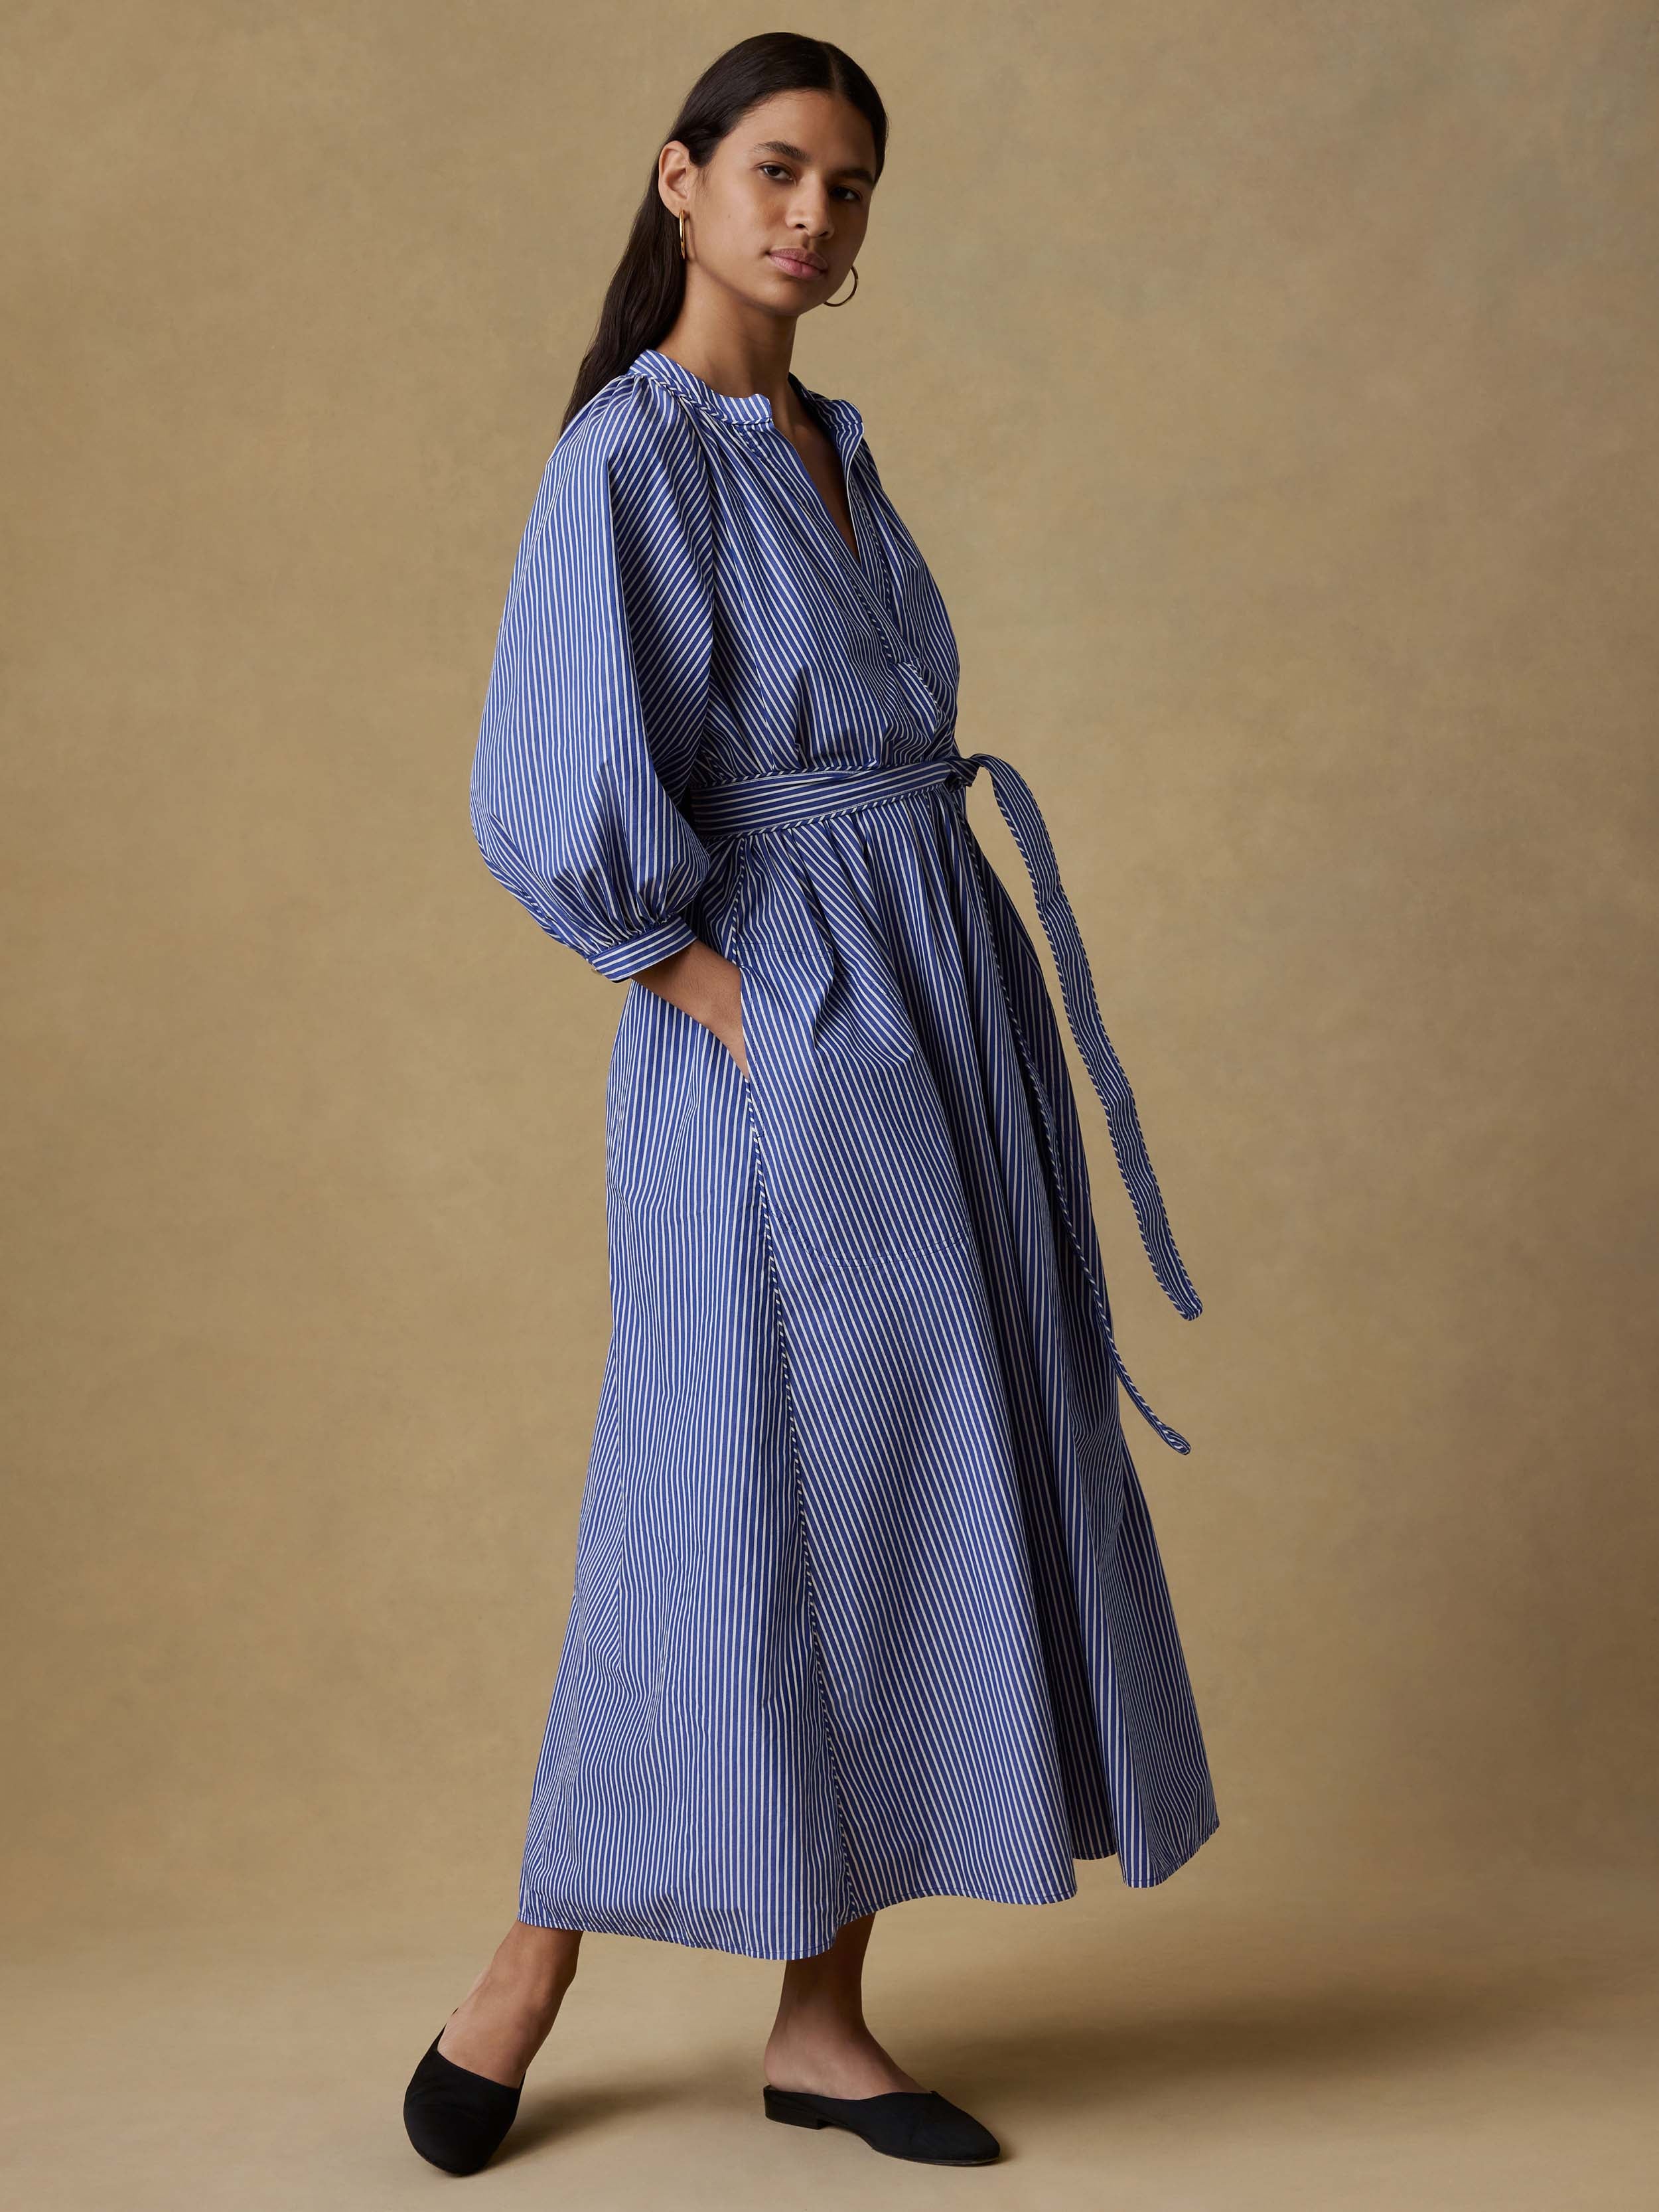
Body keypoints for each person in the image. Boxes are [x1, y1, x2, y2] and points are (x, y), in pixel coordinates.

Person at [403, 30, 1218, 2177]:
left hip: (934, 1003)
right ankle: (527, 1967)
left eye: (848, 188)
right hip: (787, 1023)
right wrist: (710, 993)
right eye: (774, 171)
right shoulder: (636, 455)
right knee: (719, 1496)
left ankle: (825, 2021)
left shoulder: (832, 439)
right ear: (677, 182)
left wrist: (909, 988)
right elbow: (546, 787)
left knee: (908, 1481)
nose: (810, 218)